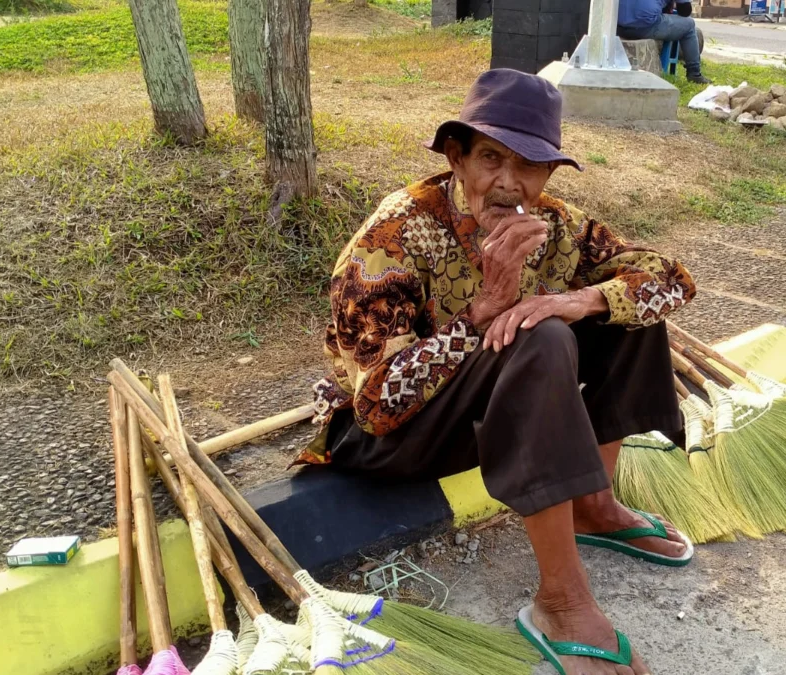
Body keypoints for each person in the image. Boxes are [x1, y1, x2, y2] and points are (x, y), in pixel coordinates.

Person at [298, 69, 697, 675]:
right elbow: (377, 407)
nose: (508, 183)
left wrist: (580, 299)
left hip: (482, 419)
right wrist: (480, 315)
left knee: (623, 314)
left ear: (550, 174)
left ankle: (594, 504)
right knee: (537, 337)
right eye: (490, 158)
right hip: (391, 440)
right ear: (456, 157)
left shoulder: (558, 226)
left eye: (530, 165)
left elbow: (672, 279)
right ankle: (560, 601)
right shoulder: (395, 237)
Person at [617, 0, 711, 84]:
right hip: (646, 26)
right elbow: (685, 11)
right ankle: (694, 73)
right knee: (689, 24)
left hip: (618, 27)